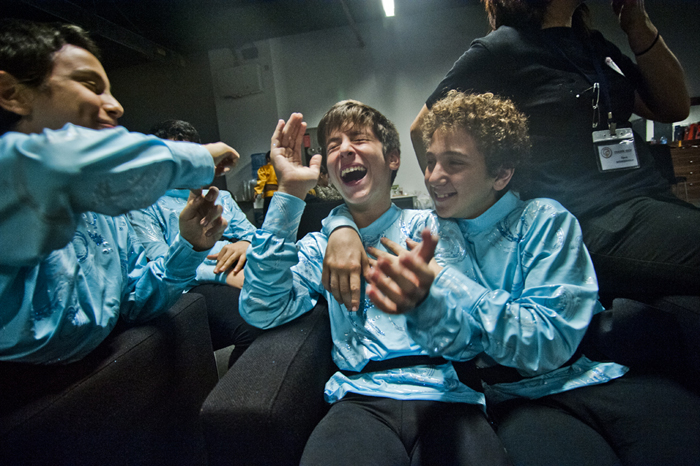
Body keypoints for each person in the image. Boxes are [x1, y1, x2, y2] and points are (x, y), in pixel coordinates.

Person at [362, 90, 700, 466]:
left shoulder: (544, 220)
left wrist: (445, 282)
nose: (433, 177)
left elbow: (546, 343)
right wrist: (422, 307)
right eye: (429, 161)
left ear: (501, 174)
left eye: (453, 162)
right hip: (520, 403)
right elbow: (458, 347)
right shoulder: (431, 238)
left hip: (601, 377)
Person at [239, 101, 510, 466]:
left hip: (445, 395)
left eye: (359, 139)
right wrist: (290, 191)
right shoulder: (319, 246)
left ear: (392, 158)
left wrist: (425, 296)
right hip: (359, 400)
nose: (344, 149)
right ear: (327, 173)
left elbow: (472, 332)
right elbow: (261, 307)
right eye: (333, 145)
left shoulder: (433, 227)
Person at [408, 0, 698, 304]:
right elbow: (422, 128)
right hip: (586, 219)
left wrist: (638, 24)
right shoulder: (501, 49)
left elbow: (673, 107)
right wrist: (474, 225)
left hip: (650, 198)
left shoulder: (593, 45)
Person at [0, 19, 237, 364]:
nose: (116, 106)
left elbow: (135, 300)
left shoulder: (106, 213)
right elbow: (55, 162)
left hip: (100, 370)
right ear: (13, 94)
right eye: (90, 85)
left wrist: (190, 247)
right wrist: (196, 158)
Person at [128, 119, 262, 361]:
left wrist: (245, 245)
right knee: (253, 324)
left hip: (240, 270)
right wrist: (224, 274)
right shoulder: (145, 204)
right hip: (191, 286)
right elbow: (164, 263)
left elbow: (255, 237)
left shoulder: (221, 197)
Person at [254, 150, 278, 219]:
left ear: (267, 159)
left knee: (268, 217)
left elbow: (261, 182)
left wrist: (256, 192)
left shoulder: (264, 169)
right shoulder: (280, 169)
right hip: (280, 195)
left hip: (269, 196)